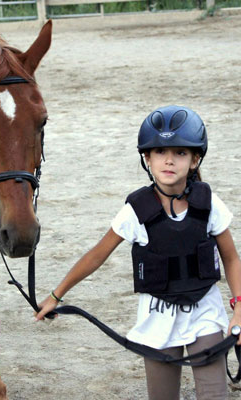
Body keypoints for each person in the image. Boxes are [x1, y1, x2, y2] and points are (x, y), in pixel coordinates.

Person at [35, 105, 241, 400]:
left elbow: (232, 259)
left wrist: (239, 309)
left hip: (204, 315)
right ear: (147, 157)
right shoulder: (135, 210)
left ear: (195, 159)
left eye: (180, 153)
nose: (169, 160)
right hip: (156, 320)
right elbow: (97, 255)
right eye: (160, 152)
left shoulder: (209, 203)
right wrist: (56, 296)